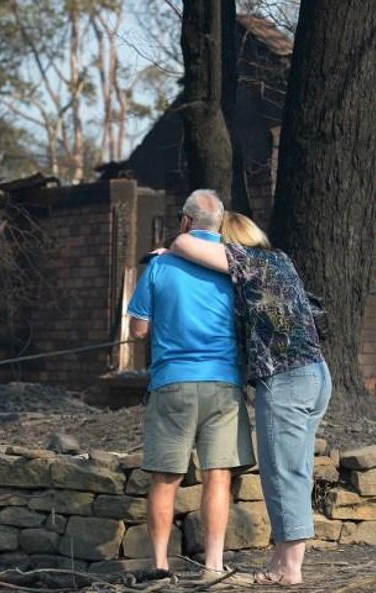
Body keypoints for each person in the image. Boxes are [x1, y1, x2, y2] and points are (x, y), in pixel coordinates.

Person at [170, 211, 332, 586]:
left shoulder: (246, 260)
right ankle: (283, 556)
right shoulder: (279, 261)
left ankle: (290, 567)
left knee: (281, 471)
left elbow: (183, 243)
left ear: (230, 241)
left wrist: (172, 248)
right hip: (317, 373)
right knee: (297, 467)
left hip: (286, 377)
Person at [127, 190, 255, 577]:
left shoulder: (160, 267)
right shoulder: (234, 267)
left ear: (185, 222)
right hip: (222, 383)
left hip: (173, 384)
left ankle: (160, 565)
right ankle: (214, 566)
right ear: (220, 225)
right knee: (218, 475)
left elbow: (138, 330)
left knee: (165, 479)